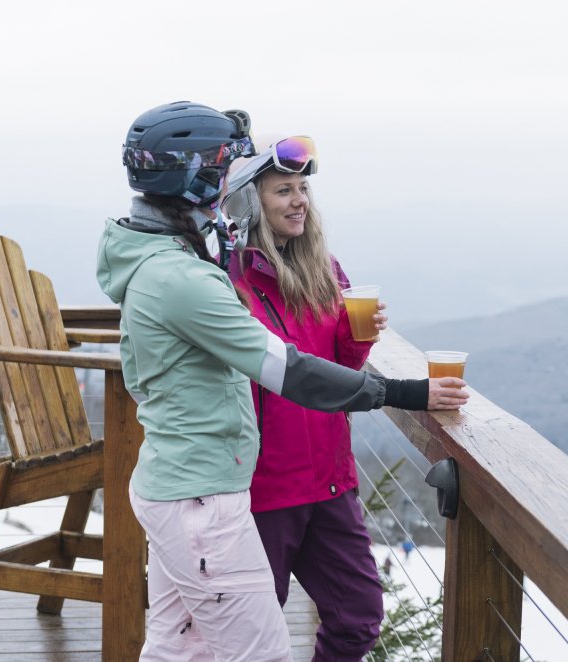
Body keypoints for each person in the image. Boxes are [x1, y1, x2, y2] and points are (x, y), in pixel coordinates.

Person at [98, 101, 468, 662]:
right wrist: (403, 394)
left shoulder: (171, 263)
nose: (225, 189)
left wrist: (356, 335)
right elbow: (286, 370)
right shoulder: (188, 276)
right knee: (255, 650)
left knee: (183, 649)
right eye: (225, 172)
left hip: (208, 484)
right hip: (213, 493)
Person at [220, 134, 389, 661]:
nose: (299, 200)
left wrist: (358, 337)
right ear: (250, 203)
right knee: (253, 637)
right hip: (263, 488)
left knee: (358, 616)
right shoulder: (228, 280)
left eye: (302, 189)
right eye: (282, 190)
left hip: (330, 480)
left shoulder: (325, 269)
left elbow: (339, 372)